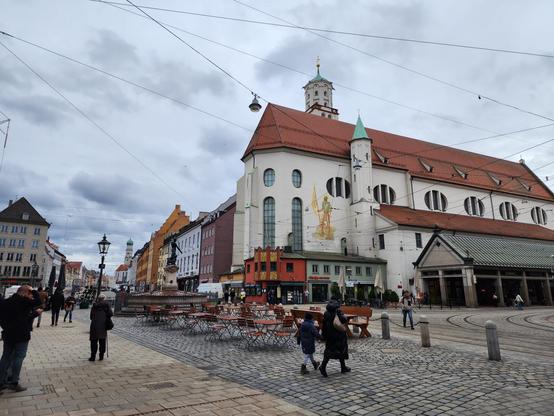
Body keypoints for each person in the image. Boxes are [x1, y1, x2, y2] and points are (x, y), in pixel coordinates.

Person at [0, 285, 42, 392]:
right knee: (19, 357)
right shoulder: (23, 301)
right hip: (21, 335)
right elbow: (38, 301)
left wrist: (6, 327)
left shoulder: (5, 302)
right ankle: (14, 382)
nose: (30, 296)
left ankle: (1, 381)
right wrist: (34, 290)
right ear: (25, 292)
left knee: (5, 357)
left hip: (8, 334)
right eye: (29, 294)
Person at [319, 299, 350, 377]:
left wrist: (324, 336)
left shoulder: (326, 314)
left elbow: (324, 326)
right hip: (338, 336)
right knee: (341, 350)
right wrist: (340, 313)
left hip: (329, 336)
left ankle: (341, 367)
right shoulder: (337, 313)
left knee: (329, 352)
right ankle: (324, 367)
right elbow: (344, 320)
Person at [89, 294, 113, 361]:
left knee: (93, 341)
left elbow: (91, 317)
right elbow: (111, 314)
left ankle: (93, 357)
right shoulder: (107, 305)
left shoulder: (94, 305)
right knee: (102, 341)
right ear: (104, 299)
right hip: (103, 325)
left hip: (94, 325)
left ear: (98, 299)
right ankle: (101, 356)